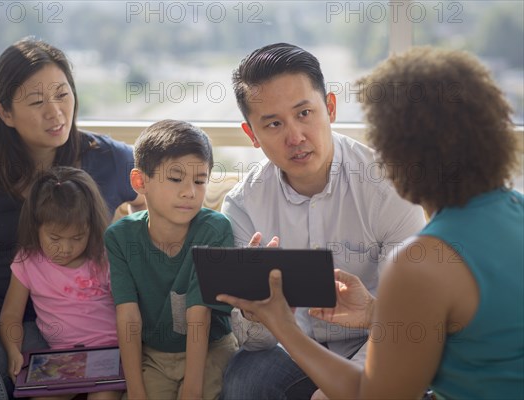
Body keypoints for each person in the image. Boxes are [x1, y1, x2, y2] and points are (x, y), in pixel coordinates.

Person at [217, 46, 524, 399]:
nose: (295, 136)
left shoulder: (419, 263)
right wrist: (376, 312)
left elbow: (373, 396)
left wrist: (284, 325)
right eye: (274, 123)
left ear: (394, 152)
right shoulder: (515, 210)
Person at [0, 38, 143, 399]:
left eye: (62, 94)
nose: (56, 112)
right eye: (38, 102)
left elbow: (161, 209)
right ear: (5, 113)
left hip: (44, 323)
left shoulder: (108, 159)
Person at [219, 42, 427, 400]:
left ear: (329, 108)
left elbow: (414, 318)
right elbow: (256, 343)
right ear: (251, 134)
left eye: (304, 113)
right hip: (293, 349)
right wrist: (257, 312)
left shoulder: (389, 187)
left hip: (380, 341)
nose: (295, 137)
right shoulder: (242, 206)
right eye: (273, 124)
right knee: (244, 379)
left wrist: (343, 389)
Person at [105, 119, 239, 400]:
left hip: (210, 349)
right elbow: (128, 316)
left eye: (200, 181)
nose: (189, 192)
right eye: (176, 179)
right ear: (140, 181)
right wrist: (136, 391)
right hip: (155, 355)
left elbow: (198, 313)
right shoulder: (120, 238)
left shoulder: (215, 230)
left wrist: (192, 388)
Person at [0, 166, 122, 400]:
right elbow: (11, 316)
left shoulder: (103, 257)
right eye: (55, 238)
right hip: (60, 359)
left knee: (105, 396)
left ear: (91, 229)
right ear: (36, 228)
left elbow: (127, 307)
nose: (65, 248)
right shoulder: (27, 261)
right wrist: (14, 351)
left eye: (77, 238)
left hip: (110, 354)